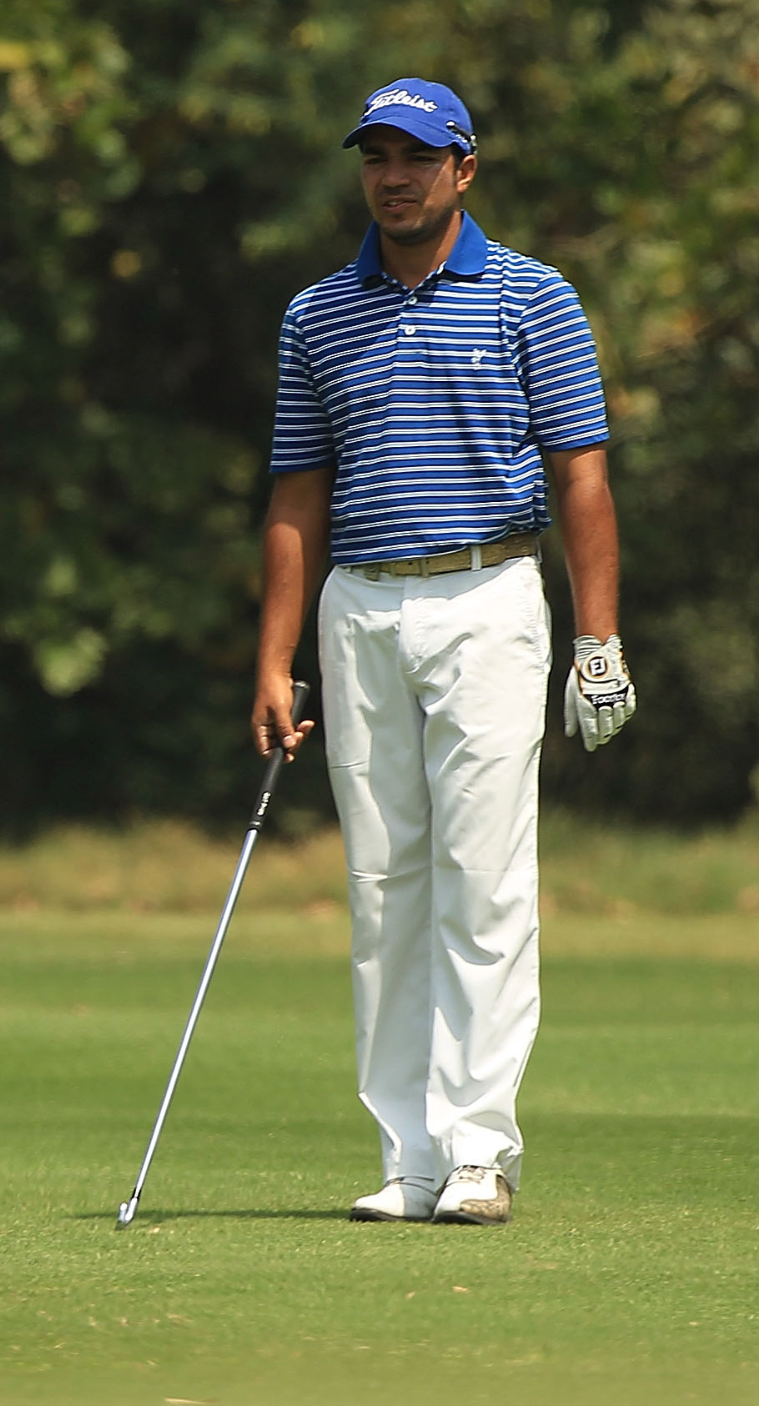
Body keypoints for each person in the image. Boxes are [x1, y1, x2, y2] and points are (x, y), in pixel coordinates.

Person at [252, 78, 637, 1226]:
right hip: (359, 607)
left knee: (482, 882)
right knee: (382, 892)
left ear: (463, 168)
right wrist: (276, 659)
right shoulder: (314, 314)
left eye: (415, 155)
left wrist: (598, 640)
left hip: (488, 598)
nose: (392, 174)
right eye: (375, 155)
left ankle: (478, 1150)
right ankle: (408, 1155)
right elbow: (295, 494)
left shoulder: (534, 298)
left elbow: (581, 476)